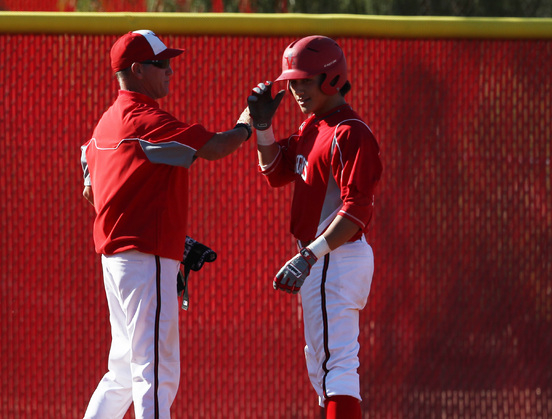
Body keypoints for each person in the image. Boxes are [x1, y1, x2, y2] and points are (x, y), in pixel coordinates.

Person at [80, 29, 252, 419]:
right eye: (162, 64)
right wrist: (247, 126)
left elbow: (89, 171)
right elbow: (214, 148)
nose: (170, 71)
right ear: (138, 69)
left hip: (118, 260)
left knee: (123, 371)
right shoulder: (147, 119)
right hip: (144, 259)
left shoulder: (107, 121)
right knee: (155, 372)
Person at [246, 35, 382, 418]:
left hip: (334, 256)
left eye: (306, 80)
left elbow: (357, 210)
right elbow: (275, 172)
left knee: (336, 368)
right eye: (292, 81)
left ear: (331, 78)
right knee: (325, 368)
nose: (296, 89)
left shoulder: (350, 131)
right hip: (324, 259)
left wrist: (309, 255)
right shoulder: (314, 125)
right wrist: (262, 127)